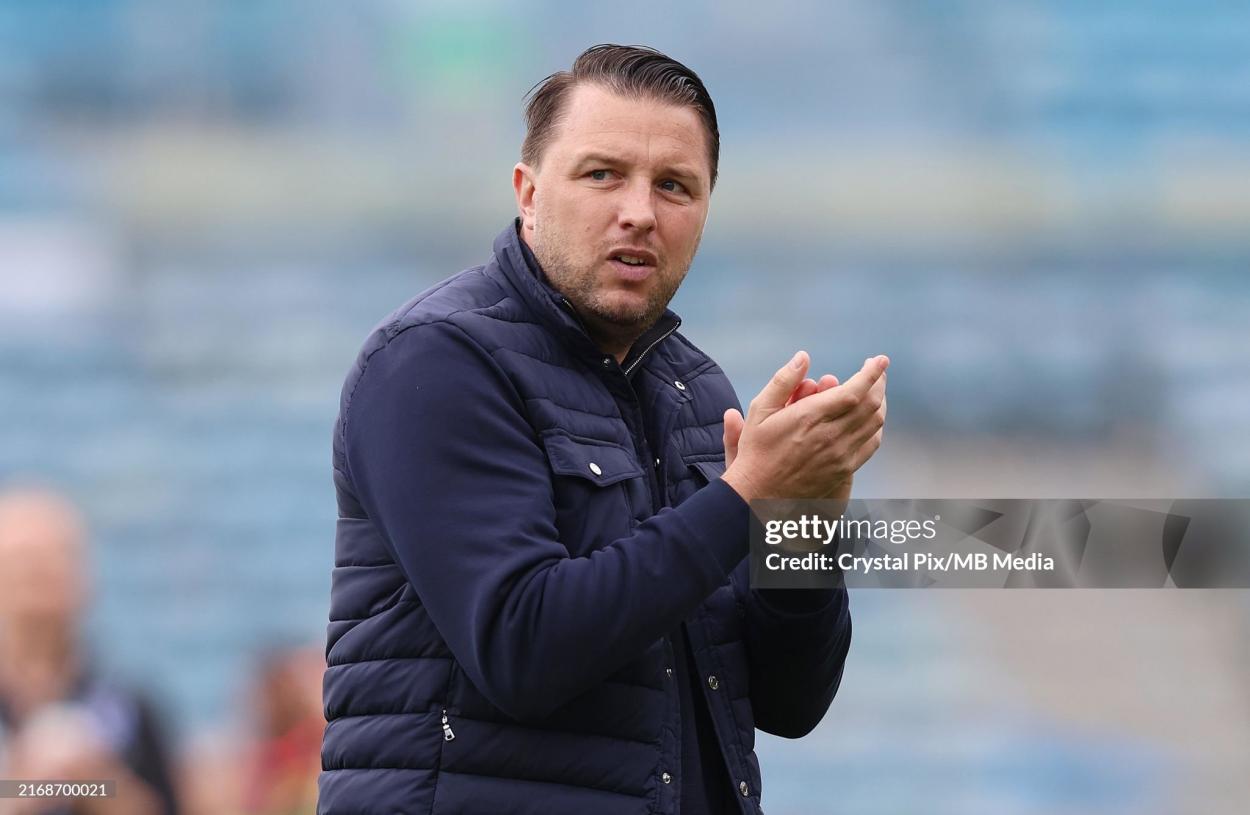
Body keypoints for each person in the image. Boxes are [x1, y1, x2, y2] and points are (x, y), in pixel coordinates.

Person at [320, 44, 888, 815]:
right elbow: (522, 646)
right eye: (602, 174)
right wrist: (747, 493)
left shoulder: (697, 388)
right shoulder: (435, 364)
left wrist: (801, 521)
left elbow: (789, 703)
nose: (640, 212)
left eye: (675, 186)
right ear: (527, 191)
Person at [0, 487, 180, 815]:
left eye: (49, 567)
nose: (35, 588)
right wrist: (27, 785)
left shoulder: (130, 708)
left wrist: (94, 779)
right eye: (21, 566)